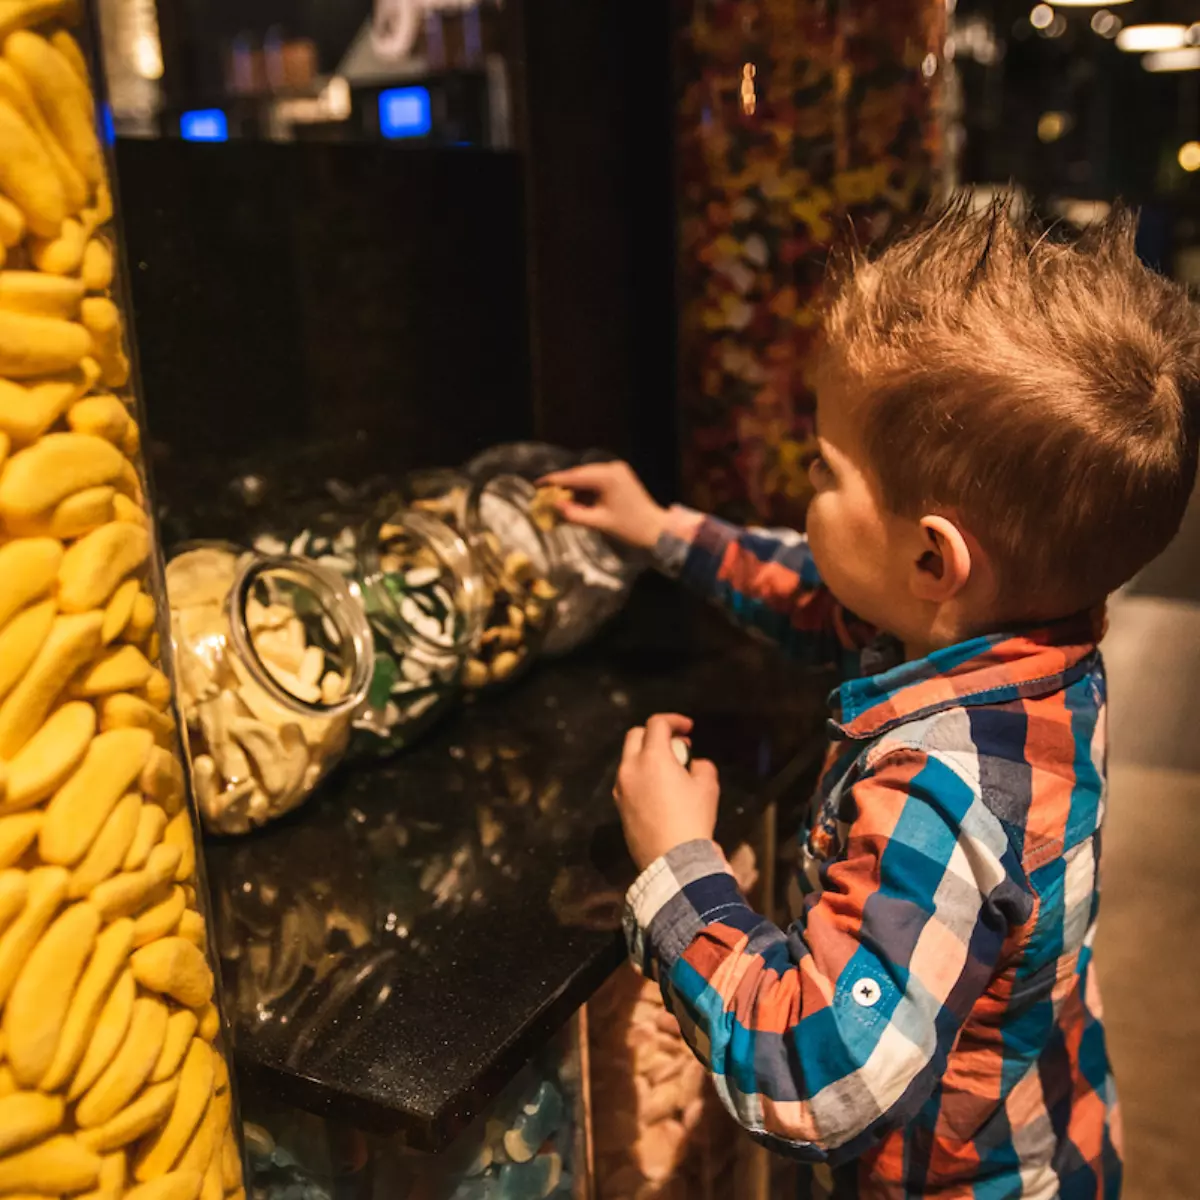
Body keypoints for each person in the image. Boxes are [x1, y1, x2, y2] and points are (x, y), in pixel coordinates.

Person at [544, 199, 1200, 1199]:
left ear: (934, 556)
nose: (803, 490)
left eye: (822, 468)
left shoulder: (937, 797)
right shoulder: (1034, 639)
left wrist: (681, 866)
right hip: (1060, 1132)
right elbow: (826, 596)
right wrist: (660, 528)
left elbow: (818, 1079)